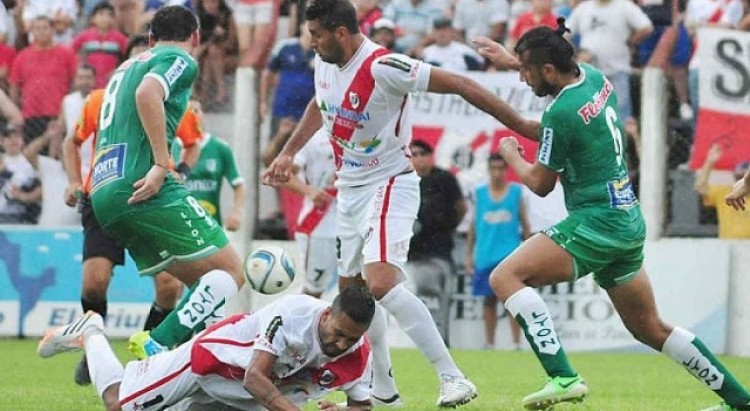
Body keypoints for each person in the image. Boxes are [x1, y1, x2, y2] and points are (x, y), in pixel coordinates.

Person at [262, 0, 538, 406]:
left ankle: (452, 377)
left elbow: (460, 84)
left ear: (341, 33)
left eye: (317, 35)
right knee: (353, 299)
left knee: (380, 284)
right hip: (349, 190)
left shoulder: (383, 66)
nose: (312, 43)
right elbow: (320, 104)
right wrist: (288, 152)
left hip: (389, 182)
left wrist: (522, 125)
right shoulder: (325, 62)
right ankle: (384, 389)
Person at [472, 19, 750, 411]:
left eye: (527, 71)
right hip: (626, 219)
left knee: (505, 277)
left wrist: (512, 155)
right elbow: (553, 124)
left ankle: (563, 377)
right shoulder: (593, 77)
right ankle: (739, 400)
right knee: (649, 328)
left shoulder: (561, 112)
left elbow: (539, 183)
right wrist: (511, 62)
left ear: (548, 70)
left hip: (595, 221)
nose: (523, 78)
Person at [89, 6, 244, 361]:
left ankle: (204, 366)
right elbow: (148, 94)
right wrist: (162, 162)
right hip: (142, 183)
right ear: (196, 37)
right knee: (231, 272)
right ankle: (157, 343)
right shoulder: (179, 58)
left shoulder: (125, 67)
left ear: (150, 39)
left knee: (206, 286)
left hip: (104, 189)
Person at [37, 286, 377, 411]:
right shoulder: (293, 314)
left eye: (352, 339)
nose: (341, 344)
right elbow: (255, 377)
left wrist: (342, 409)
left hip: (250, 399)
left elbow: (362, 405)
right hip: (212, 360)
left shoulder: (359, 358)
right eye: (338, 333)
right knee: (118, 403)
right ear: (327, 314)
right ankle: (91, 332)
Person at [465, 153, 529, 351]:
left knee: (513, 300)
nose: (497, 173)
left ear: (506, 170)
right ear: (488, 170)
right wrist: (469, 255)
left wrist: (529, 252)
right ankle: (489, 343)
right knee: (488, 300)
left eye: (501, 168)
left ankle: (516, 343)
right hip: (485, 255)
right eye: (493, 168)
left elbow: (526, 224)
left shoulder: (516, 192)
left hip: (510, 256)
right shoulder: (480, 194)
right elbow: (473, 226)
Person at [407, 139, 466, 344]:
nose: (419, 159)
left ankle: (440, 342)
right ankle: (420, 343)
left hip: (438, 251)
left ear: (430, 156)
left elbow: (461, 207)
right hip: (409, 253)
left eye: (423, 154)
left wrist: (446, 225)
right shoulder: (405, 180)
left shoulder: (444, 179)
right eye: (414, 155)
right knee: (415, 302)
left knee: (438, 301)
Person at [176, 99, 245, 231]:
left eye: (196, 111)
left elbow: (238, 184)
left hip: (211, 225)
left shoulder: (220, 148)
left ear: (203, 114)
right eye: (188, 112)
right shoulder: (173, 146)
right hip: (181, 225)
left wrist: (237, 213)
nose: (193, 115)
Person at [285, 129, 338, 298]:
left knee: (360, 285)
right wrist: (309, 191)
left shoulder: (367, 128)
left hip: (359, 218)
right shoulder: (311, 134)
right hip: (320, 222)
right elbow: (285, 174)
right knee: (314, 289)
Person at [694, 143, 750, 238]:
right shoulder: (725, 193)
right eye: (739, 177)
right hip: (729, 243)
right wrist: (709, 162)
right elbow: (701, 188)